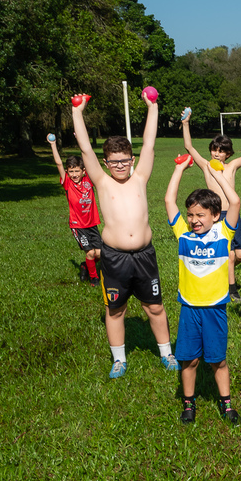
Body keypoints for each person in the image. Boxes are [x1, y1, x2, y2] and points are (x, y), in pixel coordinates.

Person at [70, 92, 178, 378]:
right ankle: (119, 360)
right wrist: (77, 113)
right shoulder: (102, 182)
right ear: (106, 163)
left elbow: (151, 143)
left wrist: (153, 107)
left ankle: (167, 353)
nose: (120, 165)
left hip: (144, 255)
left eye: (125, 160)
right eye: (114, 161)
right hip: (115, 257)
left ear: (132, 159)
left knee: (155, 306)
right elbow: (85, 149)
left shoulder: (140, 176)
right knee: (115, 310)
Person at [164, 155, 241, 424]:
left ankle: (226, 403)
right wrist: (178, 170)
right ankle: (189, 403)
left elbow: (236, 202)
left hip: (215, 310)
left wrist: (217, 173)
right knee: (189, 361)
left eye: (200, 215)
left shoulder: (224, 233)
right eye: (191, 214)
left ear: (215, 216)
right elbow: (168, 201)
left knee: (217, 361)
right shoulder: (183, 233)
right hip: (189, 309)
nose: (194, 220)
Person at [182, 120, 241, 302]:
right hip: (217, 217)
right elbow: (189, 146)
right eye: (214, 149)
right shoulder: (206, 166)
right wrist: (186, 123)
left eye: (221, 151)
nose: (216, 154)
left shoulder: (232, 166)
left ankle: (225, 268)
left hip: (233, 215)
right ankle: (232, 291)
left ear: (228, 154)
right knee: (230, 254)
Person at [48, 134, 101, 285]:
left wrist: (81, 140)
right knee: (90, 252)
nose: (74, 175)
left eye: (77, 171)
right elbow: (58, 163)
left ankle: (85, 265)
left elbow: (90, 157)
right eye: (71, 172)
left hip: (92, 224)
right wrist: (53, 145)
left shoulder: (89, 179)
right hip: (78, 225)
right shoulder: (67, 183)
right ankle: (94, 277)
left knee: (99, 253)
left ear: (83, 171)